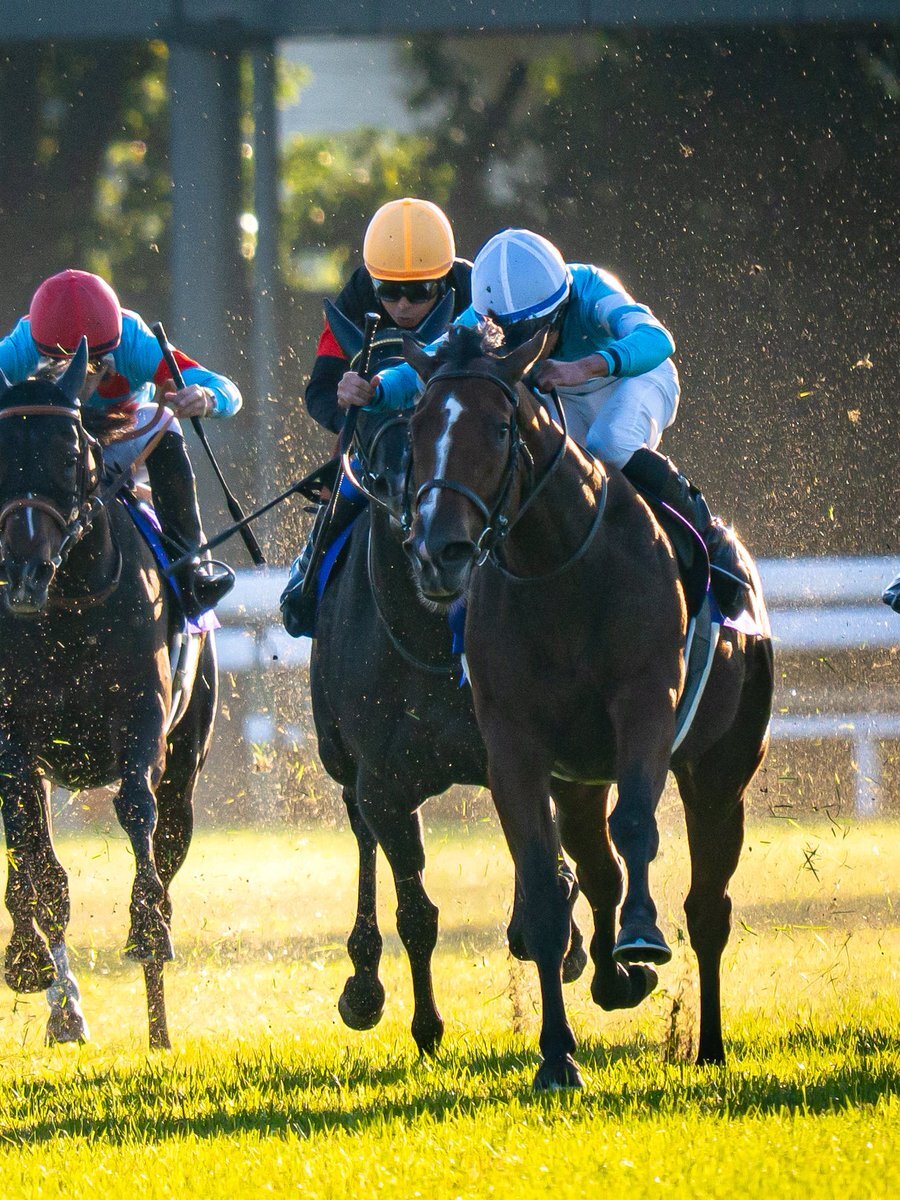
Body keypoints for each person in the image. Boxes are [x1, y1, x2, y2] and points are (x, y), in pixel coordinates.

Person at [338, 227, 751, 617]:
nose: (516, 346)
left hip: (635, 376)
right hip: (560, 389)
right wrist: (375, 390)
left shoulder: (590, 288)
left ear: (557, 309)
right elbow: (425, 364)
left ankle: (712, 541)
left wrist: (585, 367)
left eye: (527, 333)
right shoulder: (484, 315)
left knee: (609, 446)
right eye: (504, 334)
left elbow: (658, 341)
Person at [281, 197, 473, 635]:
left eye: (420, 291)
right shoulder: (354, 296)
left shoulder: (474, 286)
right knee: (348, 490)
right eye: (389, 290)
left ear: (443, 280)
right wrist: (344, 395)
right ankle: (307, 574)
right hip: (379, 436)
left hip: (455, 435)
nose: (402, 305)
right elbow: (319, 390)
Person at [0, 269, 240, 617]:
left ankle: (190, 566)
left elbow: (225, 389)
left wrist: (207, 397)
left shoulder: (136, 342)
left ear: (113, 350)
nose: (81, 377)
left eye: (93, 365)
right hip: (53, 459)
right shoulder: (20, 347)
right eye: (62, 367)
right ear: (42, 352)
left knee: (162, 421)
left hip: (120, 446)